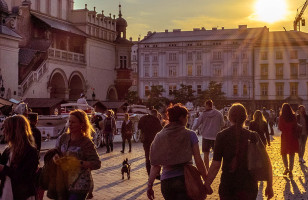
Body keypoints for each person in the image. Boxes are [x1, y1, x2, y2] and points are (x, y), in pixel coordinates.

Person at [204, 103, 274, 200]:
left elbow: (216, 164)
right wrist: (269, 186)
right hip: (249, 186)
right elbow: (267, 162)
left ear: (229, 117)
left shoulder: (222, 136)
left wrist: (207, 184)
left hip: (228, 185)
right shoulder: (253, 136)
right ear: (246, 117)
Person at [147, 104, 208, 200]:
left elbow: (155, 165)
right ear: (181, 118)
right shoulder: (190, 134)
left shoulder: (159, 136)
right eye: (186, 117)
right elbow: (198, 160)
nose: (187, 120)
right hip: (185, 180)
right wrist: (206, 181)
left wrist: (150, 185)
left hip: (166, 183)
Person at [53, 109, 101, 199]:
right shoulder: (63, 138)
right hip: (62, 182)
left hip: (79, 184)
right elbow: (56, 152)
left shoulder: (86, 142)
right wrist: (55, 158)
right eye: (69, 121)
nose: (70, 124)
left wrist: (78, 163)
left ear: (81, 124)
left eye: (73, 122)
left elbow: (97, 164)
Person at [0, 115, 39, 199]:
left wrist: (3, 168)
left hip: (23, 196)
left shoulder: (30, 152)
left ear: (14, 131)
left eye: (6, 129)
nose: (3, 132)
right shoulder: (7, 151)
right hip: (6, 195)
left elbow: (24, 177)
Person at [192, 99, 224, 170]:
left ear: (207, 105)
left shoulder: (203, 114)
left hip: (206, 136)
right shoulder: (219, 114)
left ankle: (207, 169)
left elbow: (198, 123)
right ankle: (214, 169)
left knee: (206, 154)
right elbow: (222, 124)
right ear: (212, 105)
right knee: (216, 154)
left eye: (205, 105)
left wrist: (192, 130)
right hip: (216, 136)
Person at [138, 109, 162, 176]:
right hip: (155, 141)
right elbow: (160, 130)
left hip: (145, 141)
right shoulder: (156, 119)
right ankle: (157, 173)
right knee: (157, 157)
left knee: (147, 157)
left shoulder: (143, 118)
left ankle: (149, 174)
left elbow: (139, 129)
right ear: (156, 114)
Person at [278, 103, 299, 177]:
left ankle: (286, 168)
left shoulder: (281, 117)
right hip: (292, 137)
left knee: (284, 153)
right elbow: (296, 126)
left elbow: (280, 127)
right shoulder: (293, 117)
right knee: (291, 154)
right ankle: (290, 170)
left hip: (284, 137)